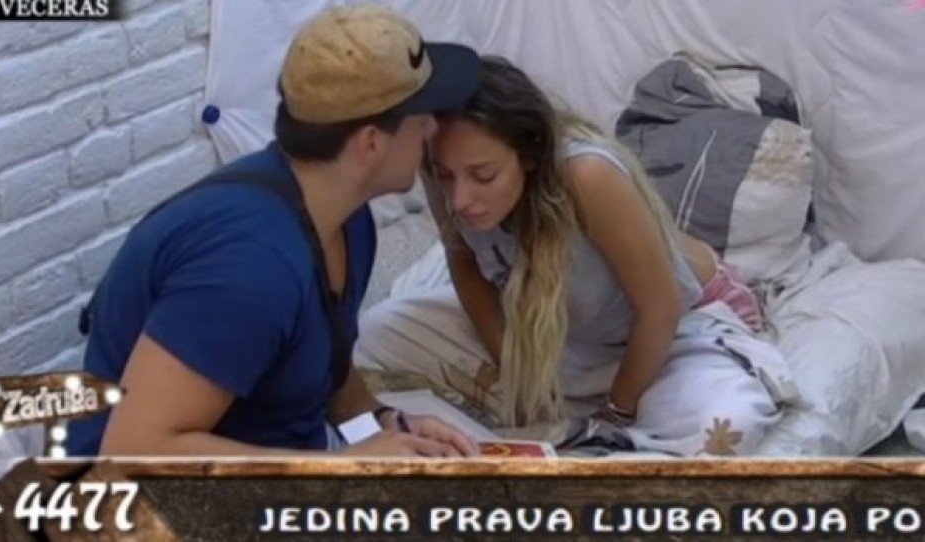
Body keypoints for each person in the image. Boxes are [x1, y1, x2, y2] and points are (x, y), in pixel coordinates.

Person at [66, 5, 483, 458]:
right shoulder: (249, 270)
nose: (432, 128)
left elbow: (326, 372)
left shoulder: (347, 219)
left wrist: (384, 423)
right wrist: (343, 468)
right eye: (421, 118)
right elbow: (133, 451)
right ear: (371, 143)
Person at [356, 56, 798, 456]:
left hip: (670, 334)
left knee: (724, 426)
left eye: (484, 176)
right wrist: (514, 371)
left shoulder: (587, 176)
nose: (461, 199)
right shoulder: (442, 164)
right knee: (381, 329)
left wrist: (617, 412)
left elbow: (660, 307)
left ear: (528, 157)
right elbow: (463, 258)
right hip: (563, 337)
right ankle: (569, 405)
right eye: (445, 176)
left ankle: (605, 418)